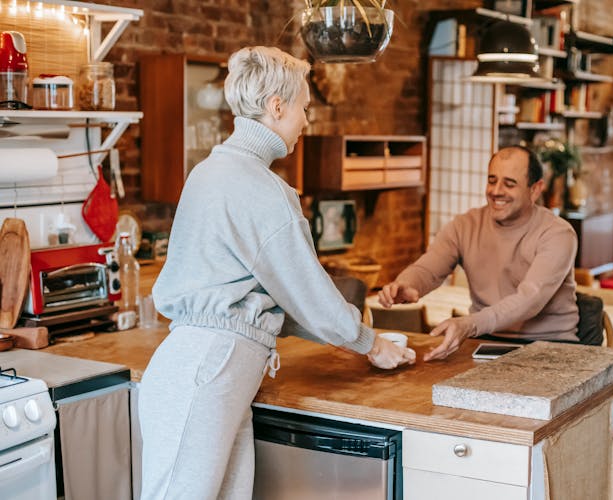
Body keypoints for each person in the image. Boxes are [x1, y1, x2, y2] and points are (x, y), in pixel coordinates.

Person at [138, 46, 415, 500]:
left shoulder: (211, 171)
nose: (308, 121)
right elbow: (309, 292)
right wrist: (368, 342)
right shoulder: (261, 189)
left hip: (204, 372)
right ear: (276, 106)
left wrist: (355, 337)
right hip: (208, 370)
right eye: (304, 107)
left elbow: (272, 302)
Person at [378, 145, 578, 361]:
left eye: (509, 184)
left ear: (535, 189)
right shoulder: (465, 225)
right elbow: (429, 267)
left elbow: (529, 299)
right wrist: (407, 284)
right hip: (486, 341)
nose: (496, 191)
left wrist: (471, 324)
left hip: (551, 346)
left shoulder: (558, 233)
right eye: (492, 180)